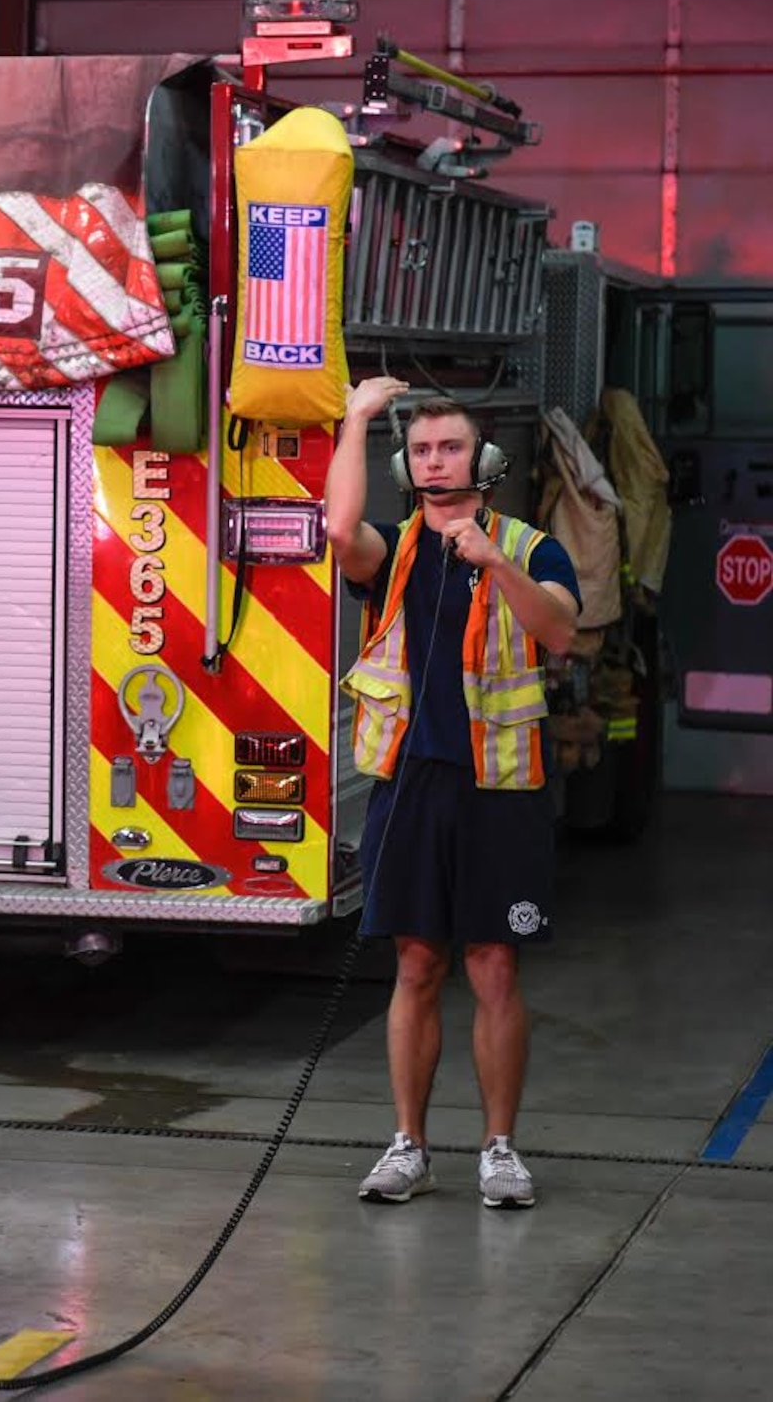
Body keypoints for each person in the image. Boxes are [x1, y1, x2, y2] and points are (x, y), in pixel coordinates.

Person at [326, 379, 582, 1210]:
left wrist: (496, 561)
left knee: (495, 967)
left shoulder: (532, 547)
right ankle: (409, 1146)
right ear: (407, 463)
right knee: (417, 964)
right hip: (413, 783)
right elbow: (336, 530)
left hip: (500, 784)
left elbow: (560, 631)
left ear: (487, 460)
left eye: (452, 447)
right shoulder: (395, 549)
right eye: (425, 449)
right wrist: (359, 418)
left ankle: (499, 1150)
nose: (438, 461)